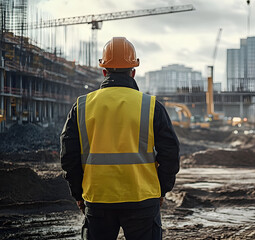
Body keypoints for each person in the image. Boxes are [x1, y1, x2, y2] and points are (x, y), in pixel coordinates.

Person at [60, 37, 180, 240]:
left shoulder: (81, 107)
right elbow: (171, 153)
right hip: (142, 199)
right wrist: (161, 189)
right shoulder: (151, 106)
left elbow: (68, 157)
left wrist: (79, 194)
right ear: (133, 71)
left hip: (98, 200)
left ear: (104, 71)